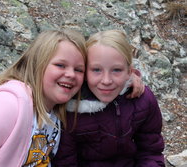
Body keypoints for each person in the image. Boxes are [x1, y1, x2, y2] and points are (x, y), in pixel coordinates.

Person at [0, 29, 143, 167]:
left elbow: (103, 73)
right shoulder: (7, 106)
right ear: (38, 64)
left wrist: (127, 80)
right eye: (60, 65)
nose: (71, 74)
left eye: (78, 69)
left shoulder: (56, 109)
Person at [52, 30, 165, 167]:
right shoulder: (70, 106)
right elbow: (64, 160)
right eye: (96, 70)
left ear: (129, 72)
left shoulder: (143, 100)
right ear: (85, 71)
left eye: (116, 70)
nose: (106, 81)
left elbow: (150, 151)